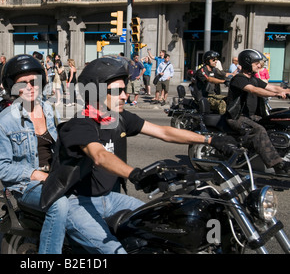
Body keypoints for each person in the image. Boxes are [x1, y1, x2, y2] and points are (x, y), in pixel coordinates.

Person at [42, 56, 232, 254]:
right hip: (78, 202)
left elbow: (164, 132)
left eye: (125, 90)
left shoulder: (120, 117)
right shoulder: (80, 124)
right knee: (116, 251)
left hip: (110, 198)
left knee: (160, 223)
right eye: (118, 91)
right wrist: (135, 174)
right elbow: (100, 155)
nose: (125, 96)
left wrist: (210, 140)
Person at [0, 54, 69, 254]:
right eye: (23, 83)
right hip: (27, 185)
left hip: (55, 176)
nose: (30, 86)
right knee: (59, 204)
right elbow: (1, 167)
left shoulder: (49, 110)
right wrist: (39, 175)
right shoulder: (4, 122)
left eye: (34, 81)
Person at [226, 49, 290, 174]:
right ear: (247, 63)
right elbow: (254, 90)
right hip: (237, 117)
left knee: (276, 119)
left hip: (251, 116)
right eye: (256, 63)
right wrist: (277, 94)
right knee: (259, 130)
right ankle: (277, 165)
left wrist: (286, 91)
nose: (259, 65)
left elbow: (273, 87)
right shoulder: (239, 79)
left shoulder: (254, 78)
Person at [194, 50, 228, 114]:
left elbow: (225, 74)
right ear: (207, 61)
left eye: (216, 60)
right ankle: (221, 122)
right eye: (213, 60)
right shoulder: (202, 71)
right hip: (204, 97)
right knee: (222, 103)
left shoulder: (214, 70)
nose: (216, 61)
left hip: (213, 95)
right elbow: (209, 79)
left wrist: (236, 77)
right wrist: (224, 81)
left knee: (228, 99)